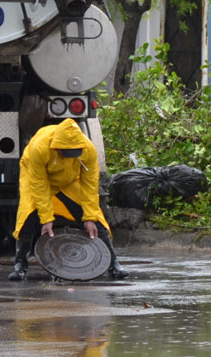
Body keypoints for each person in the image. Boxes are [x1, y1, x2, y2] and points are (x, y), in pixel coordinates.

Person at [9, 118, 127, 281]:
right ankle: (20, 265)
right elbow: (39, 184)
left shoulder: (88, 149)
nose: (71, 155)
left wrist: (89, 218)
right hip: (37, 180)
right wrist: (46, 219)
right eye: (66, 152)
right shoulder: (40, 147)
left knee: (97, 221)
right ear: (57, 147)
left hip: (69, 181)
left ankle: (114, 264)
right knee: (27, 217)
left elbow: (90, 186)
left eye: (75, 152)